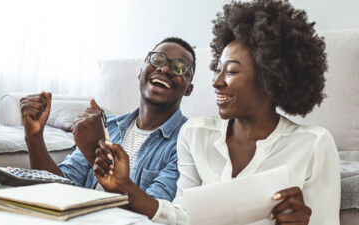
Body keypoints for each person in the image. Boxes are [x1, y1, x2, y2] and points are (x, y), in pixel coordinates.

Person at [92, 0, 340, 224]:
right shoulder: (196, 134)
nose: (216, 82)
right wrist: (124, 186)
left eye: (231, 71)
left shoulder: (313, 144)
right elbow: (182, 216)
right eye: (217, 69)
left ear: (270, 78)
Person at [19, 37, 195, 203]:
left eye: (179, 67)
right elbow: (58, 186)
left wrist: (94, 153)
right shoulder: (108, 126)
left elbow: (158, 213)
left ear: (188, 89)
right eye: (157, 59)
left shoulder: (187, 141)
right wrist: (34, 137)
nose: (164, 69)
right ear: (140, 72)